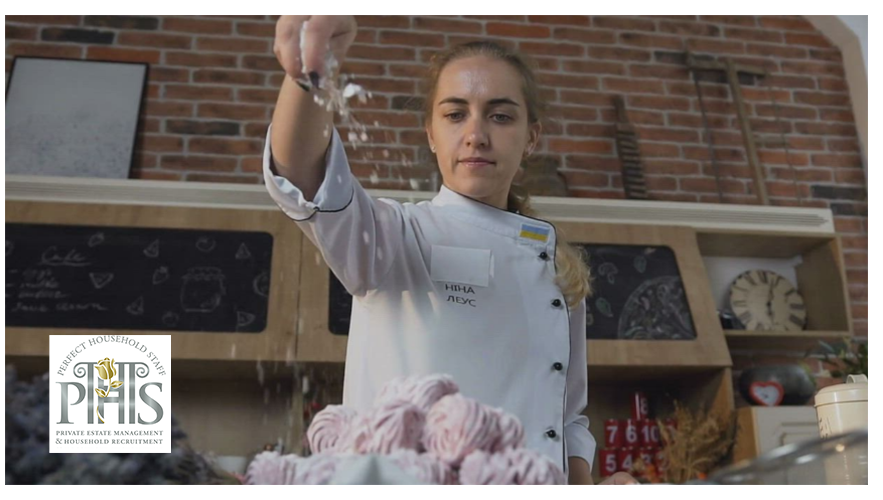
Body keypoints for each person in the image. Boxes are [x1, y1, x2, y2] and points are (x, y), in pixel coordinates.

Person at [265, 15, 637, 485]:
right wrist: (308, 78)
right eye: (456, 114)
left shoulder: (557, 269)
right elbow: (304, 176)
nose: (476, 134)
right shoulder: (396, 235)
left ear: (531, 138)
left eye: (500, 116)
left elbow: (566, 420)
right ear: (431, 133)